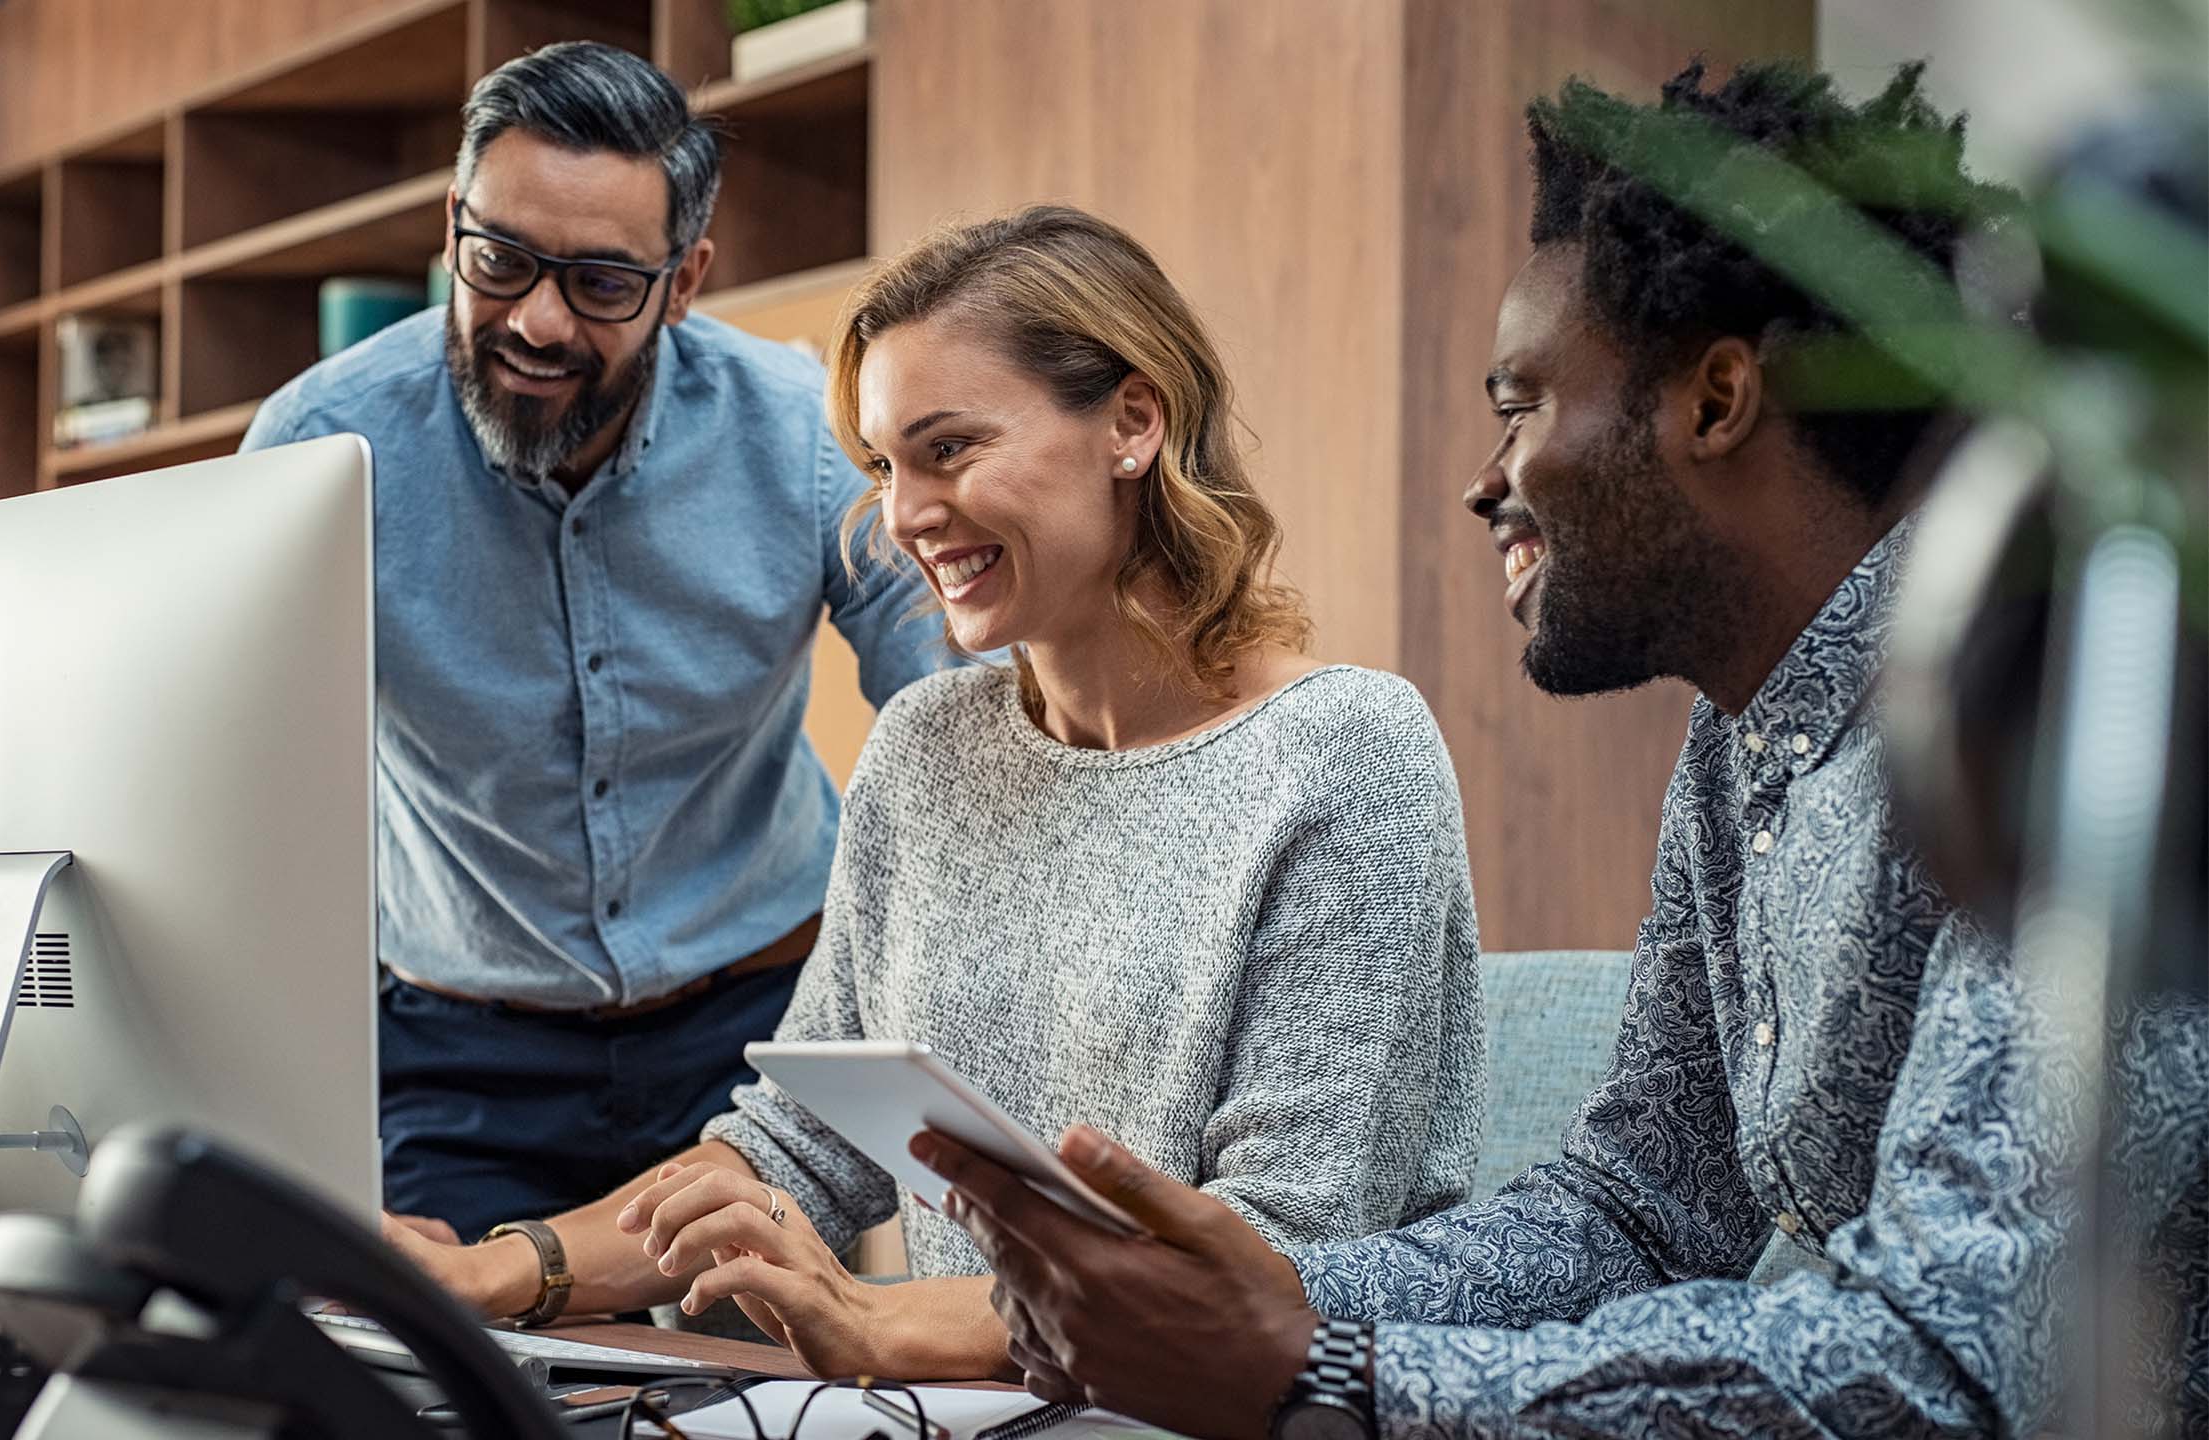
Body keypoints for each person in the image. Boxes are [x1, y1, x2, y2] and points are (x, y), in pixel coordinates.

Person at [918, 62, 2207, 1436]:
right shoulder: (1738, 750)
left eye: (1519, 403)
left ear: (1713, 402)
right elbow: (1638, 1214)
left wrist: (1324, 1377)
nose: (1486, 479)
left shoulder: (2057, 703)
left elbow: (1945, 1362)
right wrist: (1267, 1298)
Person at [383, 204, 1485, 1381]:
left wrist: (882, 1321)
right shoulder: (924, 748)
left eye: (949, 449)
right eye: (883, 466)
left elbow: (1281, 1258)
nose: (903, 516)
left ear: (1132, 421)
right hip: (977, 1403)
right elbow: (794, 1149)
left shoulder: (1348, 753)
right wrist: (504, 1271)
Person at [237, 42, 953, 1253]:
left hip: (759, 1030)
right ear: (452, 221)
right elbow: (237, 788)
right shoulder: (317, 450)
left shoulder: (798, 437)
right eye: (501, 260)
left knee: (763, 1400)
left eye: (603, 284)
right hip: (464, 1052)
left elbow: (958, 707)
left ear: (685, 282)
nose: (535, 320)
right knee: (452, 1385)